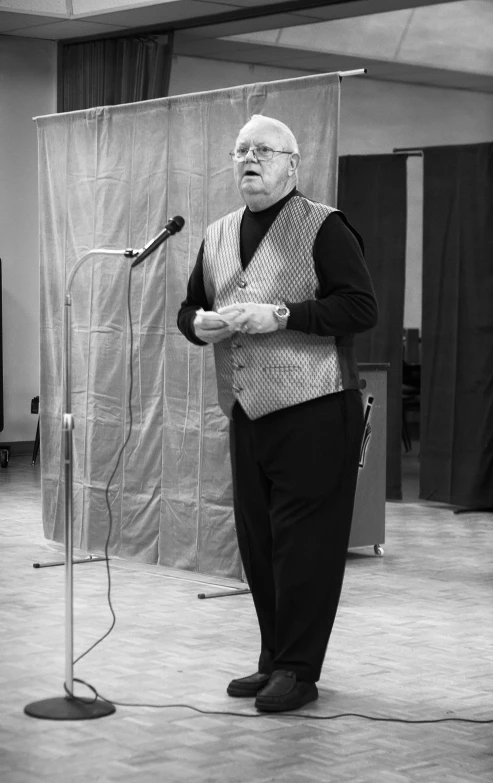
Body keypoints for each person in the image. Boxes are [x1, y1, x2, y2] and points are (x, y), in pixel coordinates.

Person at [177, 114, 378, 713]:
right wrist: (199, 326)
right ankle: (273, 659)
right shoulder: (216, 234)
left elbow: (360, 307)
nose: (249, 159)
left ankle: (299, 668)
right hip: (247, 412)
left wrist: (285, 316)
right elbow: (189, 306)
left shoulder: (325, 226)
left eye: (263, 149)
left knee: (306, 546)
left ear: (294, 164)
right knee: (260, 542)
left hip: (315, 408)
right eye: (240, 149)